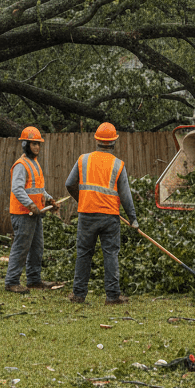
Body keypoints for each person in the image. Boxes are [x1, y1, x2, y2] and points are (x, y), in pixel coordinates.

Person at [65, 122, 138, 306]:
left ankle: (78, 295)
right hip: (109, 217)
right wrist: (133, 219)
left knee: (83, 253)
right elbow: (125, 195)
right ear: (114, 142)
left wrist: (81, 199)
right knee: (110, 254)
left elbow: (69, 183)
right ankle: (112, 296)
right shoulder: (118, 164)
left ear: (96, 140)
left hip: (87, 214)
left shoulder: (83, 159)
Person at [4, 126, 56, 293]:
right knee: (21, 248)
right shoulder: (21, 165)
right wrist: (30, 205)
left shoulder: (34, 164)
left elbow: (38, 189)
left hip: (35, 213)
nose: (37, 147)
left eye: (38, 144)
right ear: (25, 144)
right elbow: (17, 189)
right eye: (34, 144)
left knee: (36, 248)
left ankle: (34, 280)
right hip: (23, 213)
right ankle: (12, 282)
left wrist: (49, 198)